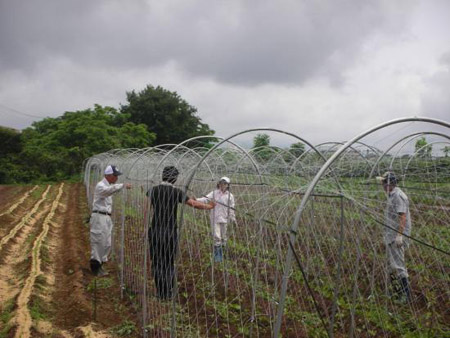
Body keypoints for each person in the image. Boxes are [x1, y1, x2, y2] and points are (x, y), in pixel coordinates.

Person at [145, 166, 215, 300]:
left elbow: (146, 210)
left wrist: (147, 230)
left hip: (155, 231)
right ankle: (168, 292)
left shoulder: (152, 191)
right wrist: (210, 206)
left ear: (162, 176)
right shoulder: (176, 192)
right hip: (170, 232)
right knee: (168, 261)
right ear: (175, 178)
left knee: (157, 261)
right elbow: (195, 204)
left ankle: (160, 292)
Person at [90, 165, 131, 277]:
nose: (116, 178)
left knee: (107, 242)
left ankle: (101, 264)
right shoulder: (101, 186)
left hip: (106, 217)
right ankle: (95, 266)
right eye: (115, 176)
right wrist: (122, 186)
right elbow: (108, 191)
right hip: (99, 217)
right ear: (108, 175)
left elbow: (110, 191)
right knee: (99, 241)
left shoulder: (109, 185)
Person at [377, 171, 412, 302]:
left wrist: (399, 236)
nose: (381, 185)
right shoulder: (391, 195)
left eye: (383, 183)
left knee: (398, 265)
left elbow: (402, 217)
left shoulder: (398, 196)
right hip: (391, 234)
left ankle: (405, 295)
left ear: (388, 184)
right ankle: (396, 291)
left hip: (396, 236)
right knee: (392, 264)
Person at [197, 177, 236, 262]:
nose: (223, 185)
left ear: (228, 185)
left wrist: (233, 218)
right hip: (215, 218)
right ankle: (218, 255)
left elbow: (231, 208)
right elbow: (205, 199)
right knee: (216, 236)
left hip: (225, 218)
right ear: (219, 184)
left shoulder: (230, 196)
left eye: (225, 184)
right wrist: (196, 200)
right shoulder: (214, 193)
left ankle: (223, 252)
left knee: (224, 237)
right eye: (221, 183)